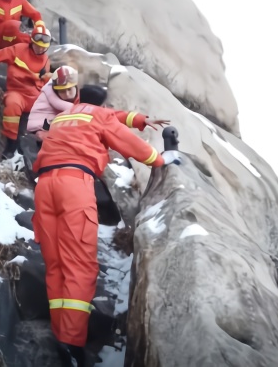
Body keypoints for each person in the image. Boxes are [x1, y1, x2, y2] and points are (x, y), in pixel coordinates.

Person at [31, 103, 182, 366]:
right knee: (80, 267)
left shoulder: (65, 117)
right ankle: (72, 344)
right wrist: (159, 159)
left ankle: (59, 333)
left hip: (45, 187)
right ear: (103, 107)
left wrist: (140, 120)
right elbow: (124, 139)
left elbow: (116, 117)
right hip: (74, 186)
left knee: (56, 265)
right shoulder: (99, 116)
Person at [0, 26, 53, 159]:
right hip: (17, 91)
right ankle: (11, 144)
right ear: (32, 42)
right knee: (13, 107)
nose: (40, 49)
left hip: (34, 94)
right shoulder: (18, 50)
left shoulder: (46, 60)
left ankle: (35, 144)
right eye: (38, 45)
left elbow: (43, 83)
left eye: (44, 47)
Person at [26, 65, 170, 140]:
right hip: (49, 127)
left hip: (66, 117)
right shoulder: (52, 100)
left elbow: (109, 114)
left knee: (97, 94)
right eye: (62, 91)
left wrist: (141, 120)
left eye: (70, 89)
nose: (67, 93)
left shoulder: (67, 93)